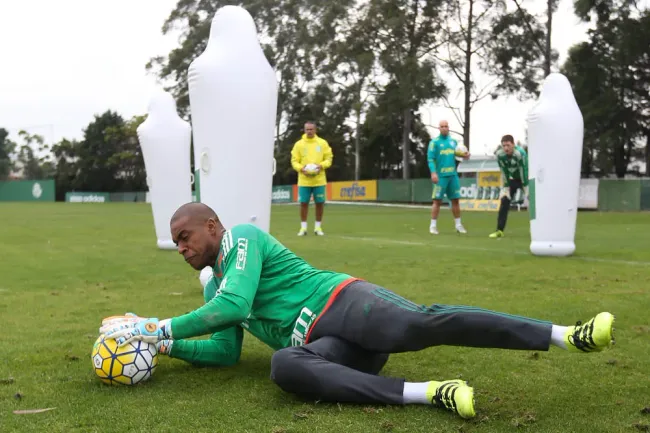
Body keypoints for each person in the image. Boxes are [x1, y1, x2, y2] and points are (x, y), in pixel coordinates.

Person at [101, 202, 615, 420]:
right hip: (331, 349)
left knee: (421, 323)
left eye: (185, 237)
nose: (182, 248)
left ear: (212, 225)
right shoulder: (211, 280)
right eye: (175, 243)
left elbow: (235, 306)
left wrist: (145, 327)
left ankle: (567, 334)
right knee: (285, 367)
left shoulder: (243, 240)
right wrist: (162, 345)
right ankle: (430, 394)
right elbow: (222, 349)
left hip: (344, 302)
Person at [290, 121, 333, 236]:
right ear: (304, 130)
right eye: (307, 129)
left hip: (319, 180)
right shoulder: (299, 144)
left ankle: (318, 228)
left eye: (311, 129)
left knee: (320, 203)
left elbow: (329, 158)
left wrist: (321, 166)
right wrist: (301, 169)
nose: (309, 131)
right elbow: (294, 161)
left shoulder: (322, 143)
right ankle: (303, 228)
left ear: (315, 130)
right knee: (304, 203)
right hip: (304, 180)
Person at [427, 120, 470, 235]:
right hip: (440, 176)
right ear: (439, 128)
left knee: (455, 200)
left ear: (448, 127)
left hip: (453, 175)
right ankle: (433, 226)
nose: (444, 128)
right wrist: (433, 173)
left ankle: (458, 225)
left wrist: (465, 155)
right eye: (442, 126)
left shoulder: (454, 142)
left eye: (446, 126)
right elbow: (430, 159)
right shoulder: (434, 143)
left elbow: (459, 155)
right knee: (437, 201)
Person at [489, 135, 529, 239]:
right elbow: (504, 171)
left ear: (513, 145)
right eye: (504, 146)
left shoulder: (520, 153)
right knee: (504, 200)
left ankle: (541, 230)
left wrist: (526, 189)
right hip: (513, 179)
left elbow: (523, 171)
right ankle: (499, 231)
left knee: (534, 203)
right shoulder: (499, 155)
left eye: (508, 145)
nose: (506, 148)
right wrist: (505, 188)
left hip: (526, 178)